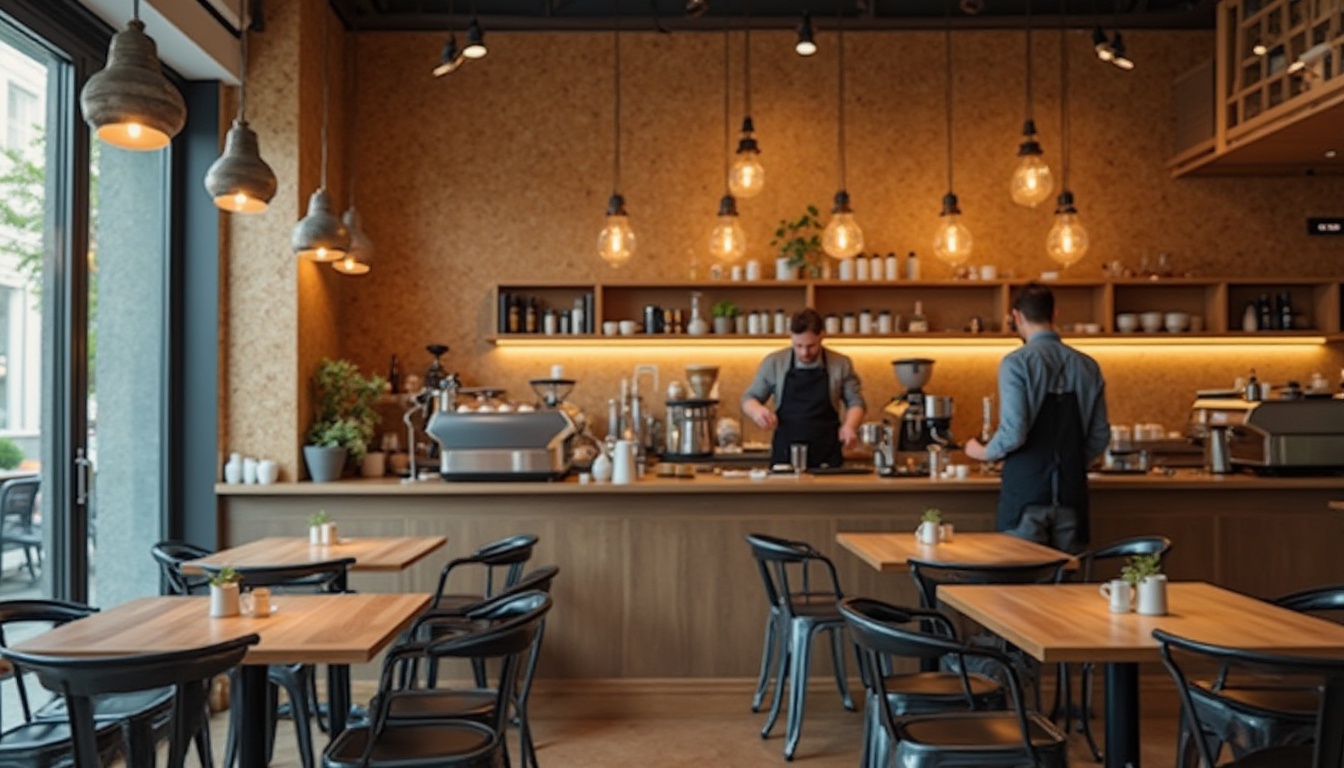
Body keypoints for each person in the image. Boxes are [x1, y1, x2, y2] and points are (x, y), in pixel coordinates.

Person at [964, 283, 1109, 553]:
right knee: (1067, 588)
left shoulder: (1016, 363)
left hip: (1026, 498)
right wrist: (1070, 460)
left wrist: (982, 452)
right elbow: (1100, 436)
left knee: (1021, 586)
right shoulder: (1088, 366)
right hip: (1071, 496)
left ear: (1016, 317)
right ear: (1055, 314)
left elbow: (1013, 433)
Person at [742, 308, 866, 468]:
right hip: (785, 456)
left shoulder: (841, 364)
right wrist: (757, 411)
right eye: (798, 345)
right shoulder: (774, 362)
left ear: (822, 335)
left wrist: (850, 426)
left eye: (811, 346)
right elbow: (748, 398)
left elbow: (856, 402)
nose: (804, 352)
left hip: (827, 455)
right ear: (791, 337)